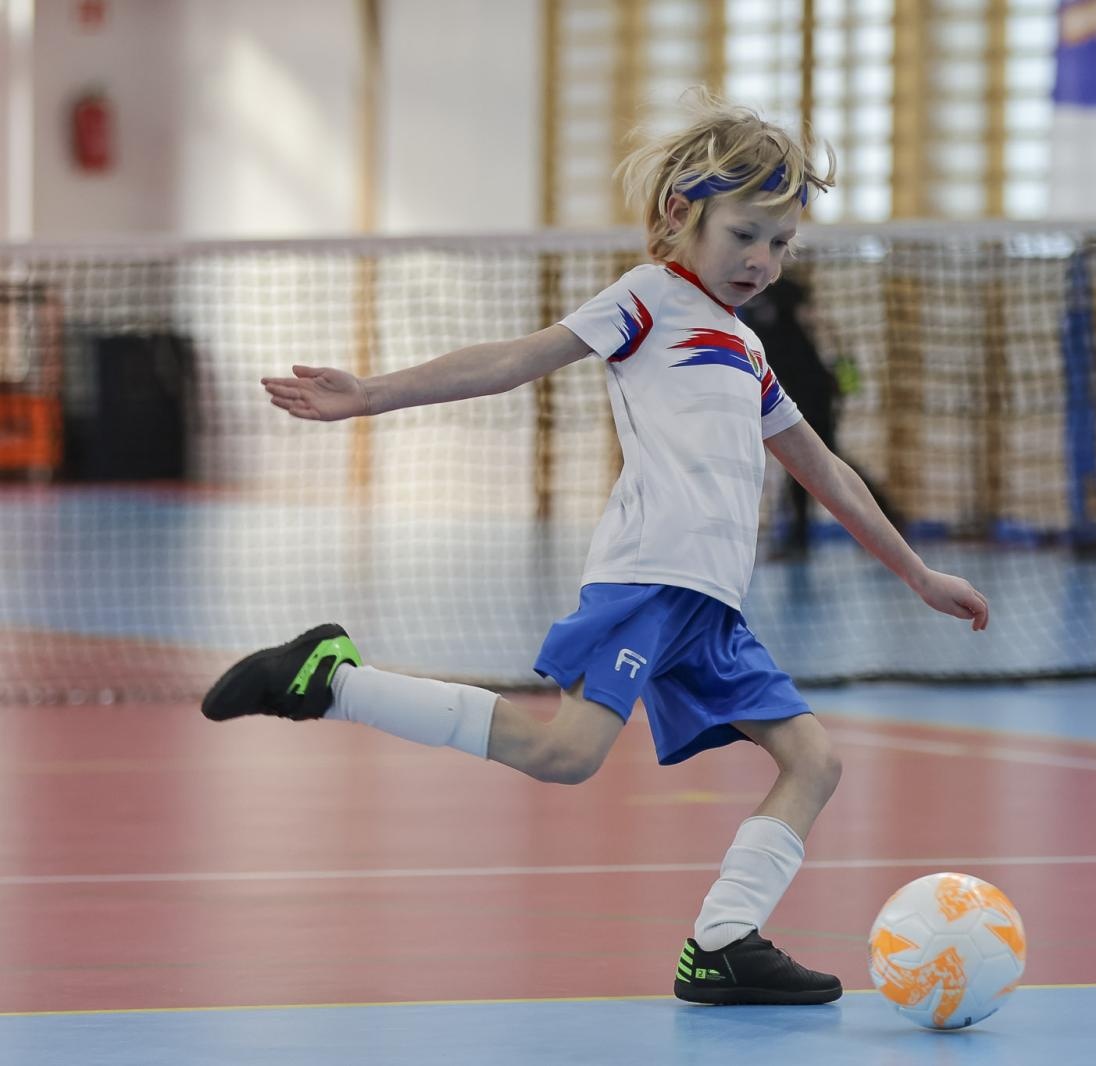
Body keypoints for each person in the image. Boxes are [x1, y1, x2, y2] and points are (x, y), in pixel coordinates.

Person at [199, 89, 990, 1006]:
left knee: (815, 761)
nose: (763, 261)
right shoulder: (647, 299)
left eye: (782, 245)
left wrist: (919, 573)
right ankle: (329, 679)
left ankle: (724, 943)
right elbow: (513, 359)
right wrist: (372, 394)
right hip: (647, 583)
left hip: (712, 608)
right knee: (566, 755)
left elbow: (827, 470)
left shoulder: (748, 350)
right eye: (745, 235)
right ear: (679, 216)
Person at [740, 275, 897, 557]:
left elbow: (802, 296)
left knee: (819, 460)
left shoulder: (778, 293)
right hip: (794, 393)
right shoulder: (741, 310)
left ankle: (882, 520)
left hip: (816, 391)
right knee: (817, 460)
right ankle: (883, 518)